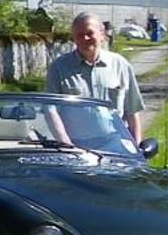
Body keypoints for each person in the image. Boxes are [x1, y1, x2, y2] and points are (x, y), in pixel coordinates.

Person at [45, 12, 145, 141]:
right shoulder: (58, 68)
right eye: (79, 35)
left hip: (115, 145)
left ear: (102, 34)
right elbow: (50, 111)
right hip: (76, 146)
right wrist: (66, 144)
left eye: (89, 33)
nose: (85, 38)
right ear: (73, 38)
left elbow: (132, 112)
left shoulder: (120, 65)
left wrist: (137, 151)